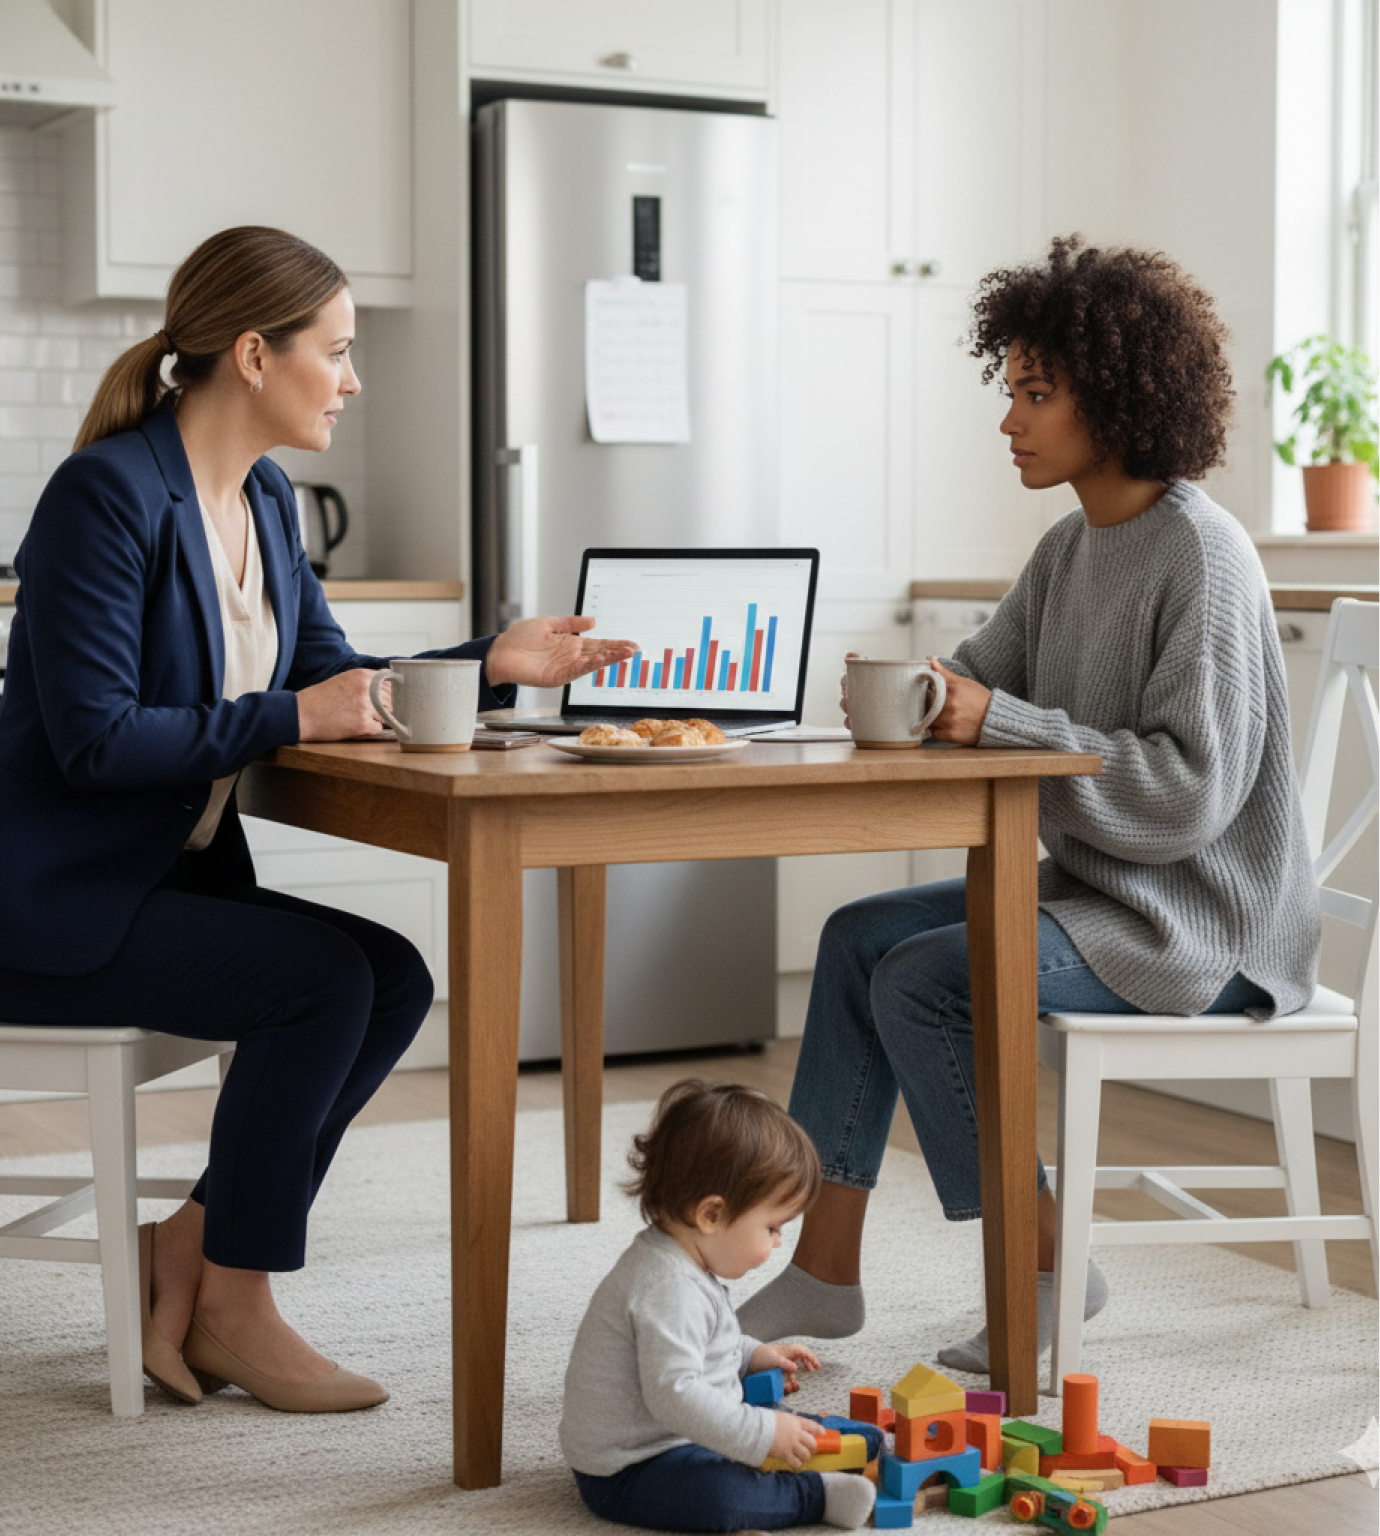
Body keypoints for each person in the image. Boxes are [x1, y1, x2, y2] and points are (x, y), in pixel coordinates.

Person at [0, 226, 635, 1413]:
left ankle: (191, 1245)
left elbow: (343, 679)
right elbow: (94, 741)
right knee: (321, 983)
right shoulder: (109, 494)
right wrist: (283, 715)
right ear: (253, 353)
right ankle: (236, 1302)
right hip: (51, 906)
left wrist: (493, 661)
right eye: (336, 353)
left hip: (154, 890)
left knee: (388, 974)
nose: (353, 380)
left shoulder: (264, 497)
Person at [735, 234, 1322, 1375]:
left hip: (1201, 926)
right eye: (1012, 392)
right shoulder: (1071, 548)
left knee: (927, 978)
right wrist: (909, 699)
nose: (1012, 422)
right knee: (857, 939)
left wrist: (991, 718)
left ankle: (1044, 1266)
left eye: (1037, 395)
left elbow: (1189, 796)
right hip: (1107, 896)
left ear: (1119, 395)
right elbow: (980, 674)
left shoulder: (1201, 556)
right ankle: (825, 1270)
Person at [559, 1079, 882, 1532]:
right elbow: (676, 1395)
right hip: (632, 1467)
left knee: (849, 1439)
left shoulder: (689, 1260)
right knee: (722, 1499)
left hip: (693, 1434)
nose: (778, 1241)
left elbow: (708, 1337)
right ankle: (812, 1496)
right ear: (711, 1215)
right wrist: (762, 1433)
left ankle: (828, 1445)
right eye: (771, 1227)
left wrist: (751, 1354)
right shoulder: (666, 1287)